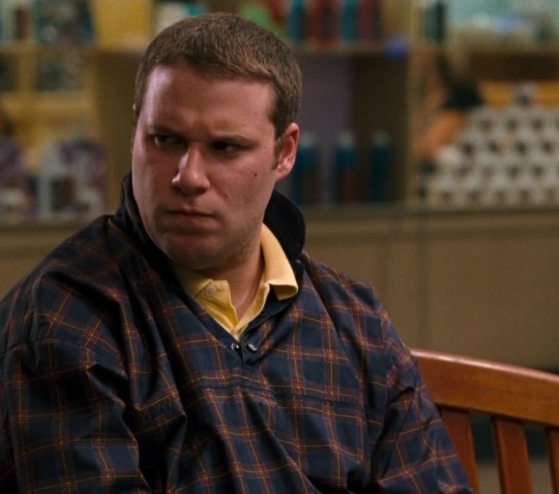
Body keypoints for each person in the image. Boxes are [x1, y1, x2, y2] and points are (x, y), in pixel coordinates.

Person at [0, 13, 471, 493]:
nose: (188, 176)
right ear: (136, 131)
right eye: (166, 140)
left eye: (225, 147)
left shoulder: (353, 318)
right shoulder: (72, 315)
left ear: (284, 152)